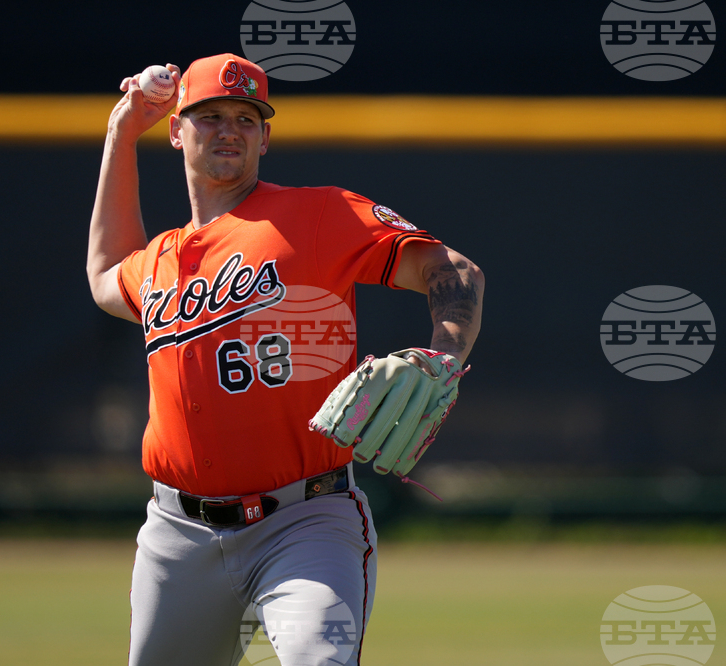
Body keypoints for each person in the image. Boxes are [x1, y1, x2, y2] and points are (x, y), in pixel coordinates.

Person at [86, 53, 484, 666]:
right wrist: (121, 130)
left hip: (305, 522)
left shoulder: (318, 215)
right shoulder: (160, 259)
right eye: (210, 115)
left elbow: (452, 269)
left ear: (265, 138)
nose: (229, 130)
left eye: (246, 119)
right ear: (176, 131)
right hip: (178, 533)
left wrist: (443, 355)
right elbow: (106, 275)